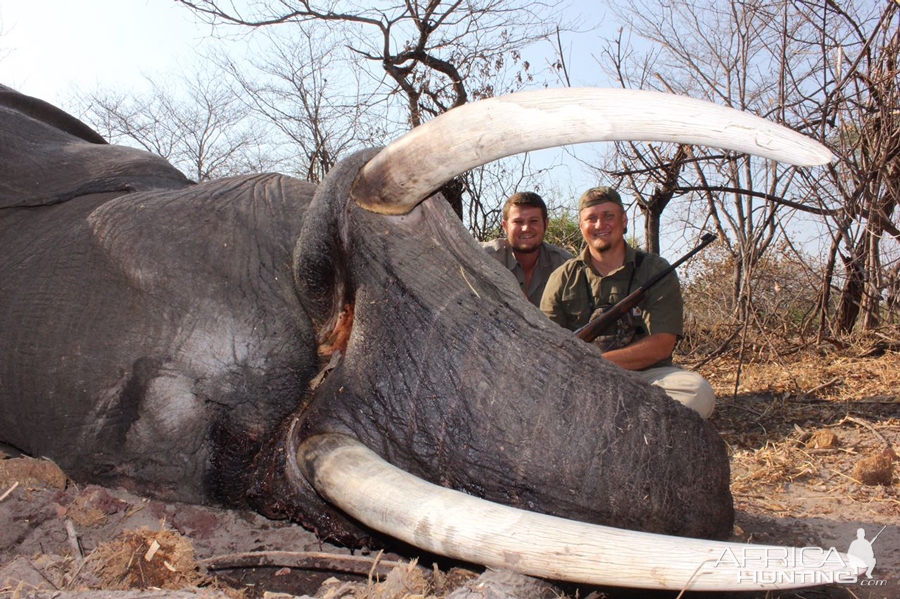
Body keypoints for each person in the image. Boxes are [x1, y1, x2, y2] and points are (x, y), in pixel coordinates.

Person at [540, 186, 716, 418]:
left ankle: (605, 418)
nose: (600, 225)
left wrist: (596, 363)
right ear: (582, 226)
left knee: (697, 393)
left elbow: (662, 344)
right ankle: (629, 420)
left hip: (646, 377)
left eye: (608, 216)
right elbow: (545, 342)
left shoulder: (656, 269)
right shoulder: (562, 276)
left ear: (623, 220)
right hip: (582, 378)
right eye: (591, 218)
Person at [481, 192, 573, 306]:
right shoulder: (482, 257)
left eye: (533, 221)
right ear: (505, 227)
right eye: (518, 222)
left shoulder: (566, 266)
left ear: (546, 224)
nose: (526, 228)